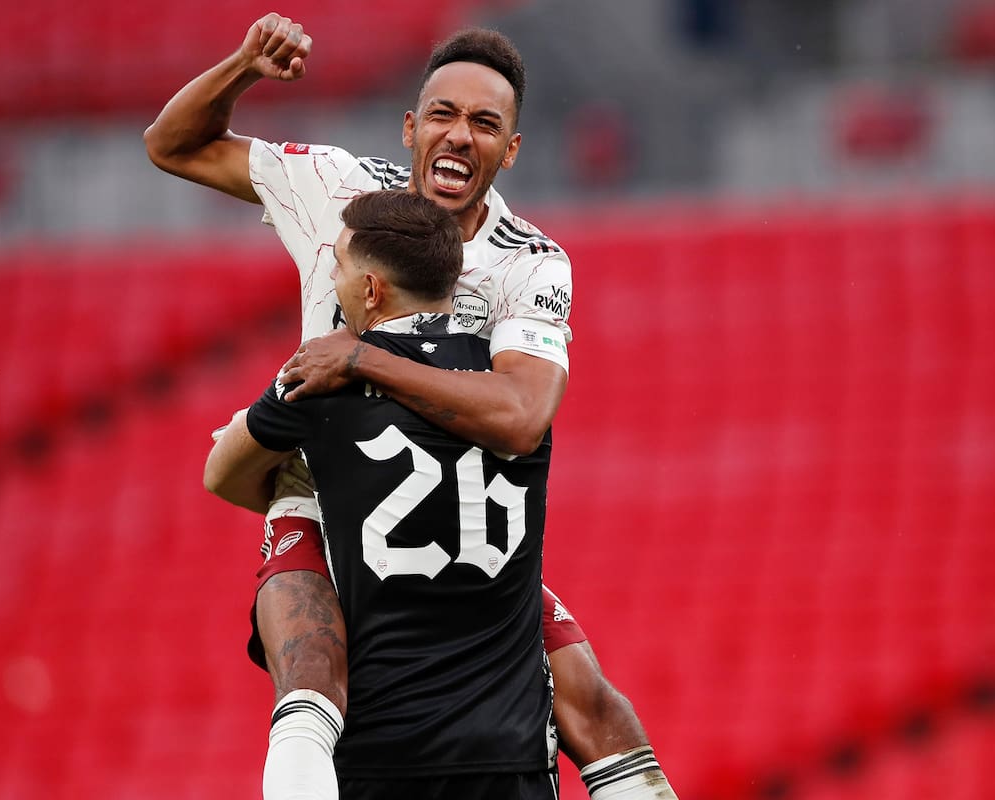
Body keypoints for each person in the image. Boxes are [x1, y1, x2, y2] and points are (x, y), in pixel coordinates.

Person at [145, 12, 677, 800]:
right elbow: (173, 144)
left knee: (591, 700)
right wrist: (245, 65)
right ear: (410, 126)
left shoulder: (529, 263)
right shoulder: (336, 188)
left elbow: (525, 415)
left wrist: (360, 360)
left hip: (451, 518)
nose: (461, 136)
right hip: (324, 496)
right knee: (311, 663)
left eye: (485, 124)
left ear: (511, 149)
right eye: (444, 114)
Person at [206, 189, 558, 799]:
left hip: (387, 747)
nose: (333, 280)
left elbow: (223, 474)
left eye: (339, 266)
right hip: (512, 747)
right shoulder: (512, 391)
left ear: (370, 290)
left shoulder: (323, 381)